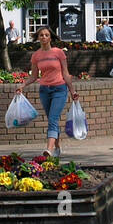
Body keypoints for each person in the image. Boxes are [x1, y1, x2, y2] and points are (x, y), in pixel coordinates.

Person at [18, 27, 77, 158]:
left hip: (59, 89)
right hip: (44, 90)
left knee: (53, 119)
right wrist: (23, 85)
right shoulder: (36, 56)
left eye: (46, 35)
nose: (44, 37)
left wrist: (72, 91)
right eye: (41, 35)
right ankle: (57, 146)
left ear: (50, 38)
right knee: (52, 119)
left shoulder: (58, 53)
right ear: (38, 38)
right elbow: (34, 76)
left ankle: (48, 149)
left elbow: (66, 73)